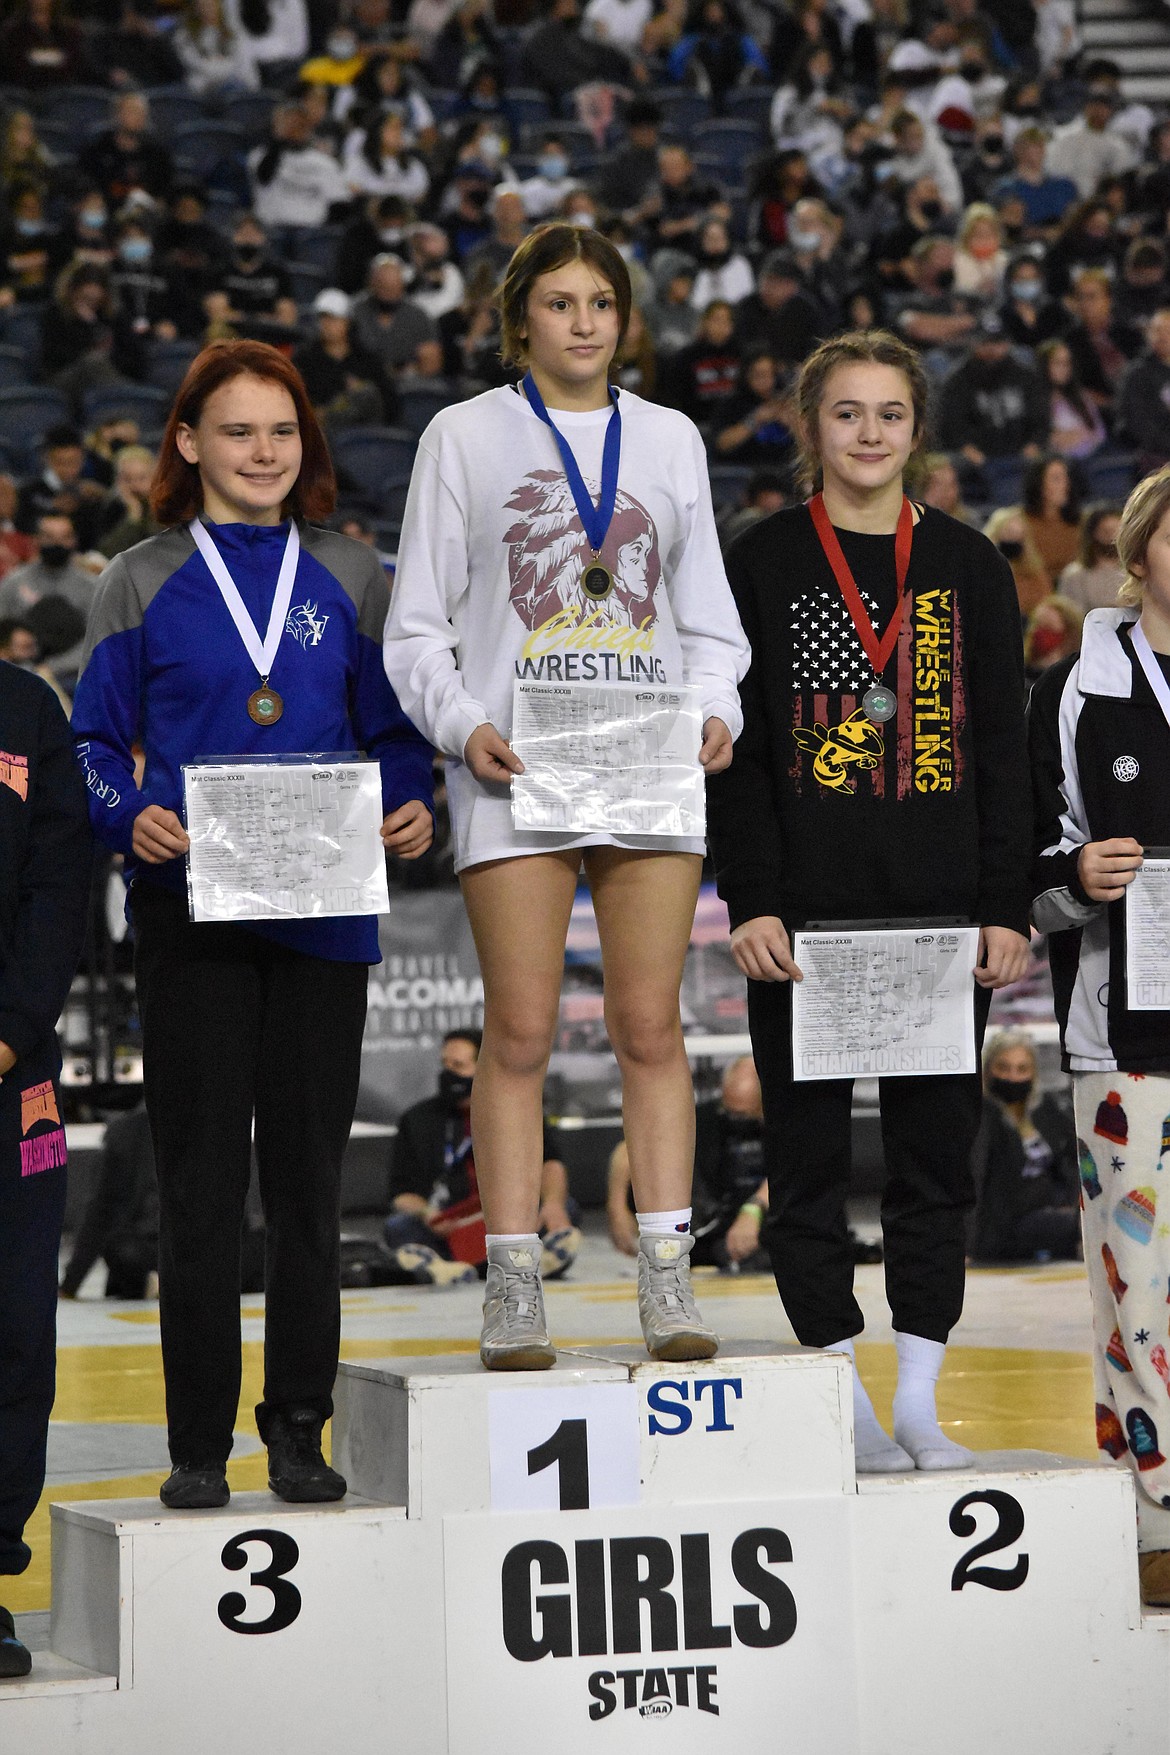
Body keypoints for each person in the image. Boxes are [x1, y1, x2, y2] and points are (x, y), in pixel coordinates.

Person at [70, 340, 435, 1511]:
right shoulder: (138, 578)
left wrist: (415, 802)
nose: (263, 452)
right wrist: (131, 816)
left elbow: (391, 737)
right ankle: (194, 1443)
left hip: (326, 914)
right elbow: (88, 745)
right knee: (199, 1183)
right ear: (187, 443)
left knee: (309, 1185)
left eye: (281, 431)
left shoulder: (353, 574)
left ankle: (297, 1429)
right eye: (237, 431)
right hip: (194, 916)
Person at [384, 225, 750, 1371]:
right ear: (519, 318)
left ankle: (668, 1278)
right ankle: (511, 1283)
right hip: (516, 763)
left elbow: (708, 622)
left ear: (623, 318)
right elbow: (416, 628)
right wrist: (464, 727)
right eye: (559, 302)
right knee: (523, 1031)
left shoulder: (672, 437)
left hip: (644, 762)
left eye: (602, 301)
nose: (583, 322)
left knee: (651, 1027)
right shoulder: (464, 435)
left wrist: (718, 713)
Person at [706, 328, 1032, 1473]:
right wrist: (750, 898)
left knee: (935, 1166)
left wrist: (1009, 904)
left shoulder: (970, 565)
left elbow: (1003, 745)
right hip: (806, 927)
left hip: (943, 923)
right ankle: (839, 1388)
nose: (869, 435)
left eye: (889, 415)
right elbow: (736, 754)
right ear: (812, 425)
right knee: (803, 1169)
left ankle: (920, 1403)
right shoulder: (762, 562)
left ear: (917, 429)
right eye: (846, 413)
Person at [1027, 463, 1170, 1606]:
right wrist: (1076, 876)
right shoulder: (1076, 688)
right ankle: (1157, 1515)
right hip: (1125, 1030)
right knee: (1137, 1282)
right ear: (1140, 547)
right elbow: (1021, 865)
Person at [0, 652, 92, 1679]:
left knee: (16, 1332)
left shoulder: (25, 707)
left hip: (9, 1080)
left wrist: (13, 1031)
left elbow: (59, 882)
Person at [385, 1029, 580, 1283]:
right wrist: (427, 1213)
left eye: (458, 1065)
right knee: (398, 1226)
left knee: (566, 1208)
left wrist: (552, 1203)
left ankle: (455, 1267)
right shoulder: (417, 1119)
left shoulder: (516, 1109)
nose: (449, 1073)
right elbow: (401, 1194)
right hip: (449, 1221)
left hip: (510, 1212)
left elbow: (550, 1163)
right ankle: (517, 1263)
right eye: (445, 1065)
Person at [609, 1055, 769, 1271]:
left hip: (761, 1216)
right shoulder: (709, 1117)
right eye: (728, 1109)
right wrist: (617, 1209)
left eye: (743, 1115)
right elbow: (628, 1149)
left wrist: (754, 1209)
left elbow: (795, 1167)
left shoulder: (787, 1123)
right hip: (711, 1218)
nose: (734, 1120)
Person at [969, 1030, 1080, 1264]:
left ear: (1033, 1073)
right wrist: (966, 1244)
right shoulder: (982, 1116)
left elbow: (1070, 1162)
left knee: (1085, 1217)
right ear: (988, 1070)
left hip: (1052, 1211)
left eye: (1022, 1069)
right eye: (1004, 1068)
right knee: (1079, 1225)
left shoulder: (1045, 1111)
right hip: (1007, 1221)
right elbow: (975, 1179)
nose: (1012, 1077)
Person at [59, 1104, 160, 1300]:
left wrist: (70, 1283)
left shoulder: (124, 1131)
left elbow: (101, 1210)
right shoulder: (206, 1127)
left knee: (119, 1244)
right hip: (197, 1251)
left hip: (135, 1253)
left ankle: (149, 1279)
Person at [1022, 454, 1083, 587]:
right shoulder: (1020, 522)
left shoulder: (1081, 523)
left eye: (1066, 478)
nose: (1065, 485)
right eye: (1056, 479)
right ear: (1038, 484)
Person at [1059, 501, 1124, 613]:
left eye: (1116, 531)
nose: (1113, 539)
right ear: (1091, 535)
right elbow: (1072, 618)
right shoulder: (1075, 576)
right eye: (1106, 532)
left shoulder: (1135, 573)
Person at [1023, 592, 1083, 682]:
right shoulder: (1020, 673)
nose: (1039, 633)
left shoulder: (1073, 680)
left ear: (1069, 635)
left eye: (1048, 627)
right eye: (1037, 625)